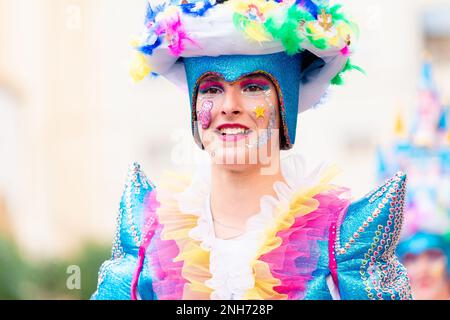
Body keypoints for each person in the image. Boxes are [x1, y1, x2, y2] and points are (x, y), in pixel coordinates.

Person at [91, 0, 412, 300]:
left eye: (253, 87)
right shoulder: (150, 243)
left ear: (284, 103)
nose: (229, 107)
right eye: (212, 89)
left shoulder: (340, 247)